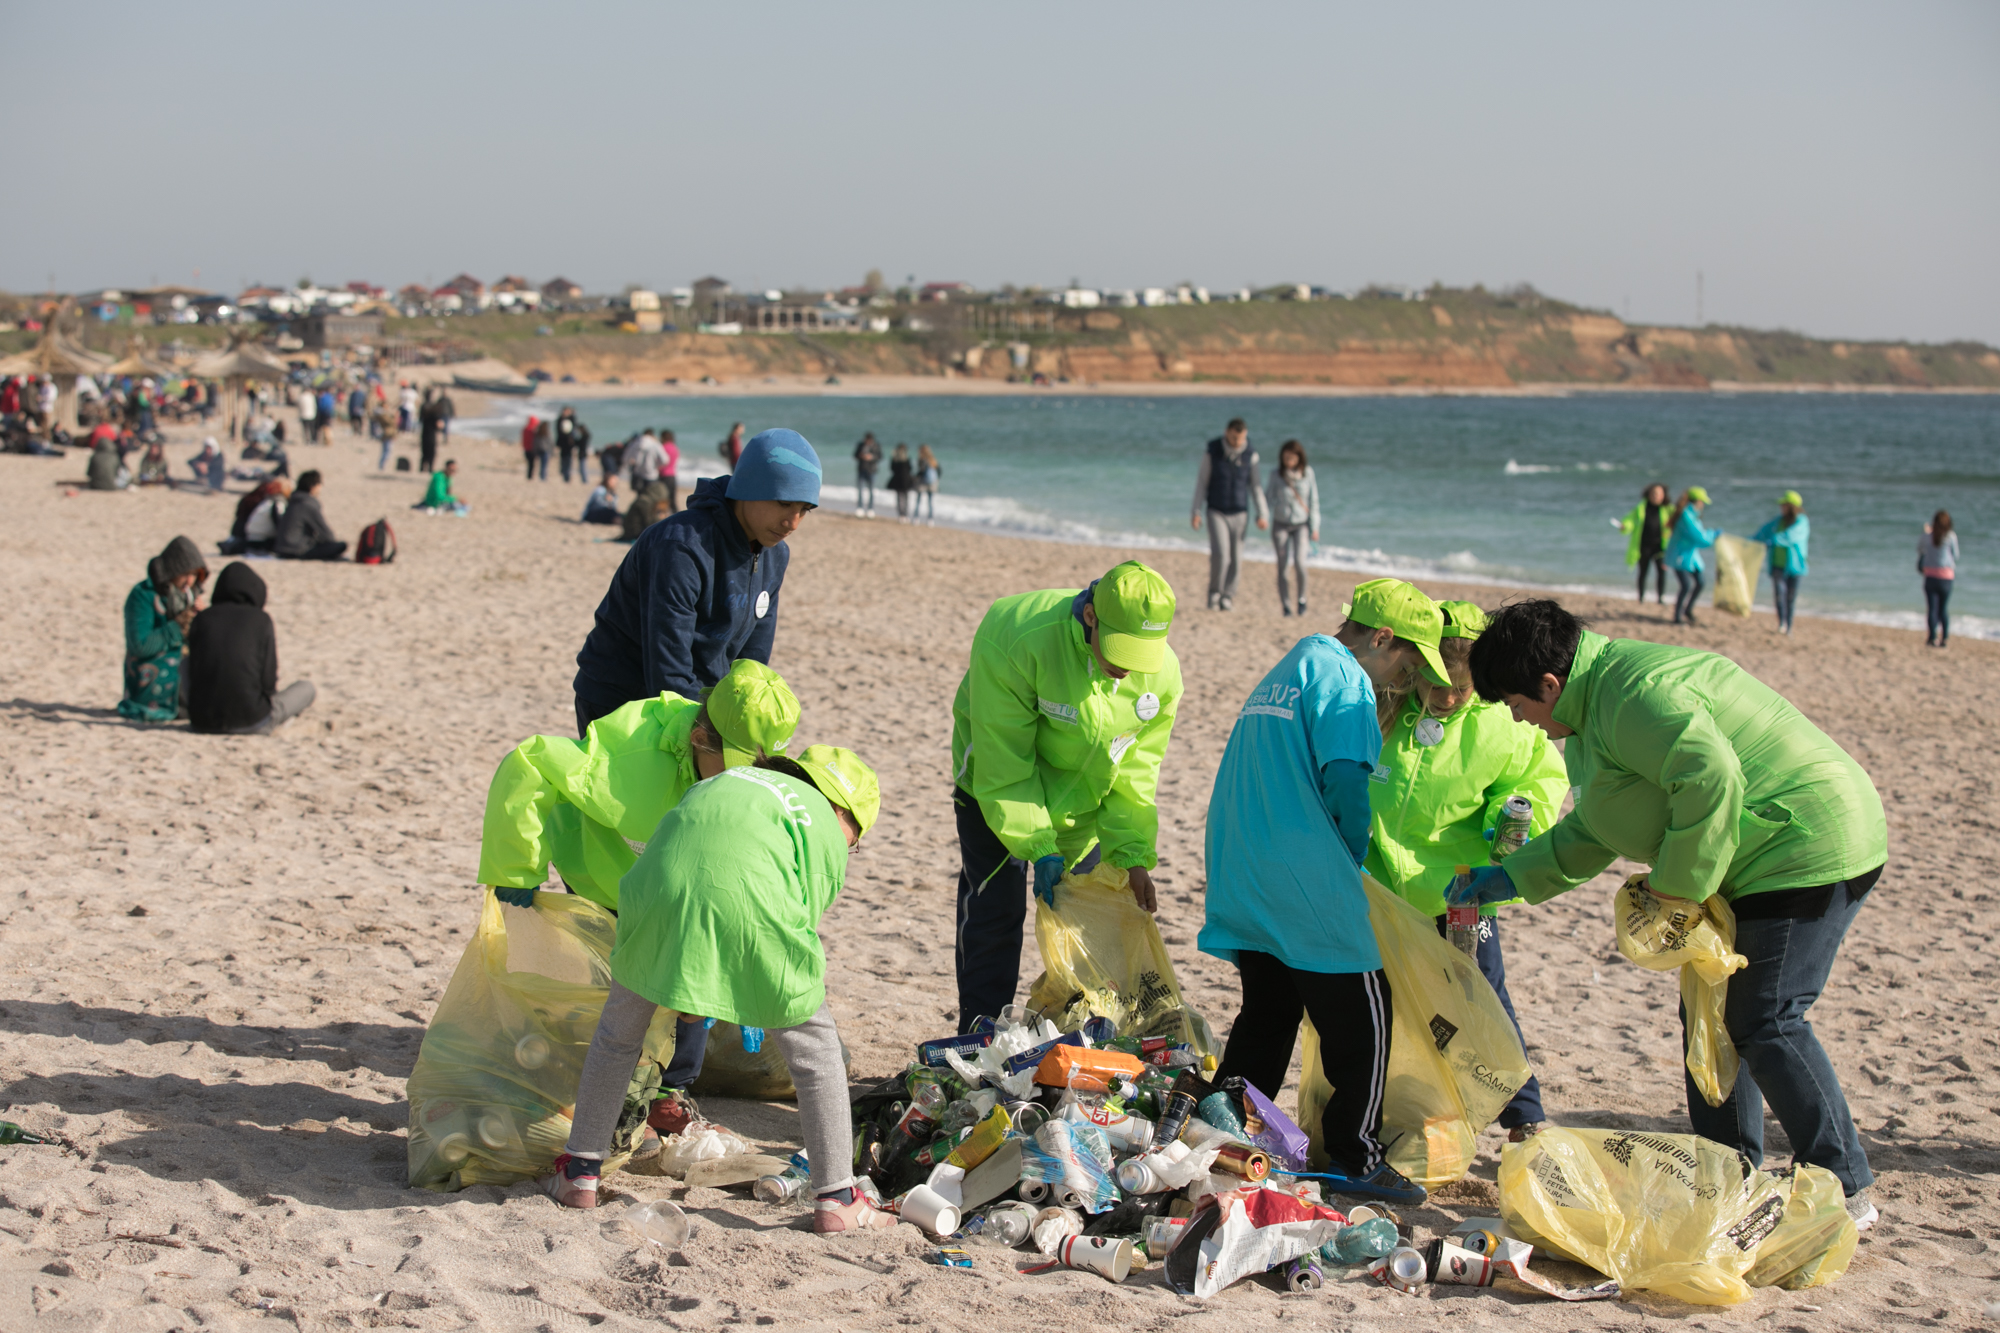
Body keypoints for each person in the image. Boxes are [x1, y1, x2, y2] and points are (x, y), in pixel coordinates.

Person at [1456, 599, 1887, 1230]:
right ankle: (1726, 1172)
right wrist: (1512, 876)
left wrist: (1677, 892)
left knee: (1762, 1014)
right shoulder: (1587, 710)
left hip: (1807, 839)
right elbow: (1601, 824)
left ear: (1549, 684)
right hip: (1751, 853)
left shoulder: (1635, 693)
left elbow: (1712, 780)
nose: (1522, 722)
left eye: (1519, 706)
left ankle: (1846, 1183)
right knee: (1708, 1015)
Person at [536, 747, 893, 1234]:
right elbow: (798, 917)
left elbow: (688, 856)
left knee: (618, 1037)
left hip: (652, 893)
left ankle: (579, 1172)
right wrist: (748, 994)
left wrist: (692, 986)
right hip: (753, 903)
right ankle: (836, 1198)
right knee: (815, 1052)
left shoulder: (725, 781)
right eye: (856, 839)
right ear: (841, 811)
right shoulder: (822, 826)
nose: (849, 845)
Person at [1197, 577, 1452, 1205]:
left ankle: (1218, 1131)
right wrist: (1352, 858)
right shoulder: (1344, 682)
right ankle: (1355, 1156)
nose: (1407, 676)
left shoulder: (1289, 669)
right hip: (1304, 877)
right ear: (1383, 638)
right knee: (1365, 1015)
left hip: (1246, 869)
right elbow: (1345, 784)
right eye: (1410, 660)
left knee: (1269, 1011)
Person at [482, 658, 801, 1121]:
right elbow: (529, 763)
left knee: (689, 977)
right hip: (603, 874)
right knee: (609, 988)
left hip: (675, 880)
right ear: (698, 739)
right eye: (733, 767)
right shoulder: (628, 758)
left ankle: (670, 1091)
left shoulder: (734, 775)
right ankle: (582, 1083)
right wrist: (515, 868)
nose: (743, 783)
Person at [1363, 600, 1568, 1141]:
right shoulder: (1387, 705)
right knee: (1380, 1002)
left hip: (1460, 893)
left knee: (1483, 1001)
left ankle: (1526, 1119)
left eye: (1461, 689)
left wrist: (1508, 821)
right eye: (1435, 686)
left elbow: (1537, 787)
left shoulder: (1505, 724)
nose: (1448, 698)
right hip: (1382, 886)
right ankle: (1386, 1112)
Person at [949, 560, 1182, 1028]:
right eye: (1119, 652)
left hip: (1083, 809)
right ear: (1091, 615)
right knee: (996, 912)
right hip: (994, 793)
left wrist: (1133, 855)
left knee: (1088, 926)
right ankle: (977, 1032)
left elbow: (1135, 773)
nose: (1125, 671)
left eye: (1140, 656)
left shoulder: (1162, 677)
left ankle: (1075, 1039)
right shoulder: (1016, 635)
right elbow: (1005, 762)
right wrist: (1038, 845)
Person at [573, 428, 821, 734]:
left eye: (804, 510)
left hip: (696, 698)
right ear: (748, 487)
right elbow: (668, 666)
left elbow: (752, 664)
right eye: (785, 503)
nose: (793, 523)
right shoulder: (680, 547)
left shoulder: (775, 555)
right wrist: (703, 735)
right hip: (620, 701)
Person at [186, 561, 316, 734]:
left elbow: (192, 671)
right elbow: (269, 683)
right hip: (251, 721)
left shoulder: (202, 619)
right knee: (306, 688)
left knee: (183, 663)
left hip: (201, 722)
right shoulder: (261, 620)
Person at [118, 536, 207, 722]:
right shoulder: (142, 596)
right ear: (173, 570)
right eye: (185, 574)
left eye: (195, 575)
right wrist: (178, 626)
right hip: (151, 673)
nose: (189, 581)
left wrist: (205, 620)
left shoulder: (190, 596)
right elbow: (140, 646)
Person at [1191, 417, 1269, 611]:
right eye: (1234, 438)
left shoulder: (1251, 454)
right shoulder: (1213, 451)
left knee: (1236, 558)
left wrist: (1263, 513)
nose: (1238, 443)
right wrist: (1196, 511)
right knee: (1221, 555)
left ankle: (1228, 596)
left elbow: (1256, 487)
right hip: (1216, 511)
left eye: (1241, 439)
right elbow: (1202, 482)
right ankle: (1214, 593)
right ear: (1227, 433)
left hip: (1240, 513)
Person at [1265, 439, 1319, 616]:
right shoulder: (1276, 474)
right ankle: (1286, 605)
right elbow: (1267, 498)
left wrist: (1315, 527)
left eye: (1292, 457)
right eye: (1286, 457)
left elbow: (1313, 501)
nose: (1289, 461)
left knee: (1300, 562)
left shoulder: (1308, 473)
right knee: (1282, 566)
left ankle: (1302, 599)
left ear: (1299, 458)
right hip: (1280, 524)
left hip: (1301, 524)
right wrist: (1263, 515)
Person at [1753, 491, 1810, 635]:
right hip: (1777, 565)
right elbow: (1763, 532)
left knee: (1790, 598)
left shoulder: (1801, 521)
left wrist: (1774, 540)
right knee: (1779, 595)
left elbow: (1791, 536)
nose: (1781, 507)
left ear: (1791, 506)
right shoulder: (1778, 521)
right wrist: (1749, 541)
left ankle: (1788, 626)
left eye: (1784, 505)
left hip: (1795, 567)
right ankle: (1781, 624)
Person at [1666, 486, 1717, 626]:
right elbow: (1700, 538)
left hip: (1691, 557)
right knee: (1686, 586)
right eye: (1703, 502)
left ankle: (1687, 610)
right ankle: (1677, 616)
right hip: (1680, 557)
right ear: (1699, 501)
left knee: (1700, 582)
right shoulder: (1686, 516)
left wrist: (1711, 535)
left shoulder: (1691, 514)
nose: (1703, 505)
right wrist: (1713, 534)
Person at [1619, 482, 1672, 606]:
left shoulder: (1668, 509)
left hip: (1660, 547)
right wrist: (1625, 526)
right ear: (1648, 494)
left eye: (1659, 494)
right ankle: (1641, 597)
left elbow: (1678, 521)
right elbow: (1629, 520)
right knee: (1643, 572)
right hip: (1644, 546)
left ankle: (1660, 598)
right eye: (1654, 493)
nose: (1656, 496)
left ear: (1664, 495)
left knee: (1661, 572)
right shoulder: (1641, 508)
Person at [275, 470, 346, 560]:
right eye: (320, 485)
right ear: (312, 487)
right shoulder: (308, 504)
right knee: (341, 546)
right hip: (296, 550)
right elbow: (327, 535)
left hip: (281, 548)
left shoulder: (293, 500)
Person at [1919, 510, 1957, 649]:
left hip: (1930, 576)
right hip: (1946, 577)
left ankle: (1932, 637)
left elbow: (1920, 550)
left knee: (1932, 609)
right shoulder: (1951, 536)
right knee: (1943, 609)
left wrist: (1927, 532)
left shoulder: (1927, 536)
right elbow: (1955, 556)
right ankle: (1945, 638)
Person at [222, 478, 288, 554]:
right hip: (259, 542)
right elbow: (279, 526)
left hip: (247, 538)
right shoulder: (276, 504)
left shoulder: (265, 502)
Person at [853, 432, 882, 517]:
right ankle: (860, 507)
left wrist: (871, 457)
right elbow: (855, 455)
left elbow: (880, 456)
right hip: (862, 470)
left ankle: (870, 508)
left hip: (872, 471)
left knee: (871, 490)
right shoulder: (861, 445)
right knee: (860, 490)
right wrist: (861, 456)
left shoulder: (876, 445)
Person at [555, 407, 584, 483]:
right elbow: (558, 430)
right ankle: (564, 473)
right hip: (563, 443)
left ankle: (567, 476)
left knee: (568, 460)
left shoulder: (571, 419)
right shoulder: (560, 420)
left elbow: (574, 425)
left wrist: (571, 415)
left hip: (569, 444)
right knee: (563, 459)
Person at [887, 443, 915, 519]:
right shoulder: (906, 459)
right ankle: (904, 514)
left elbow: (892, 469)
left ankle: (902, 514)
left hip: (898, 480)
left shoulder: (895, 459)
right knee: (905, 498)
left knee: (900, 498)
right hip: (906, 481)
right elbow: (910, 469)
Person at [914, 444, 941, 523]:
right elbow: (939, 470)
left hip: (923, 482)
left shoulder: (922, 459)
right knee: (930, 501)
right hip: (932, 483)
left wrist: (915, 478)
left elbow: (921, 472)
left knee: (918, 500)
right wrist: (936, 479)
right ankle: (930, 519)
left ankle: (916, 517)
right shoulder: (933, 459)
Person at [655, 429, 679, 513]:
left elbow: (659, 461)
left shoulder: (663, 447)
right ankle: (676, 514)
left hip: (664, 475)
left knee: (662, 499)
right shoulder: (674, 447)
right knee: (672, 499)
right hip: (672, 475)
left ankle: (662, 516)